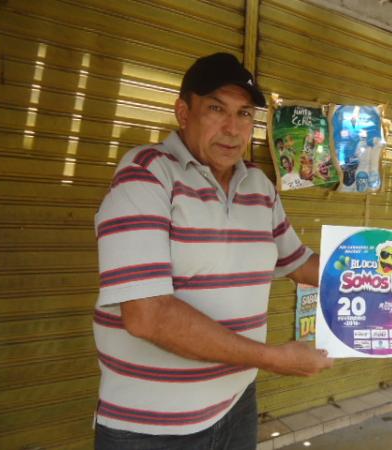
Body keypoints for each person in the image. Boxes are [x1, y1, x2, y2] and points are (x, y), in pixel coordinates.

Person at [93, 52, 333, 450]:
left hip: (237, 406)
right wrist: (274, 358)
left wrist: (388, 276)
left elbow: (299, 263)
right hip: (152, 429)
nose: (232, 129)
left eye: (244, 115)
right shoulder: (146, 175)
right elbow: (146, 316)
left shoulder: (258, 186)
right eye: (216, 109)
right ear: (183, 112)